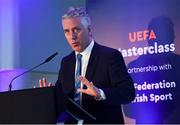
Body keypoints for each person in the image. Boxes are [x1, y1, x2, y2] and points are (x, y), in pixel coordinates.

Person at [55, 6, 135, 124]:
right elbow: (62, 100)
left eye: (76, 29)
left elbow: (128, 93)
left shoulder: (109, 56)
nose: (72, 36)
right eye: (67, 31)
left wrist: (100, 93)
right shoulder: (66, 62)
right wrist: (48, 95)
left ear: (89, 29)